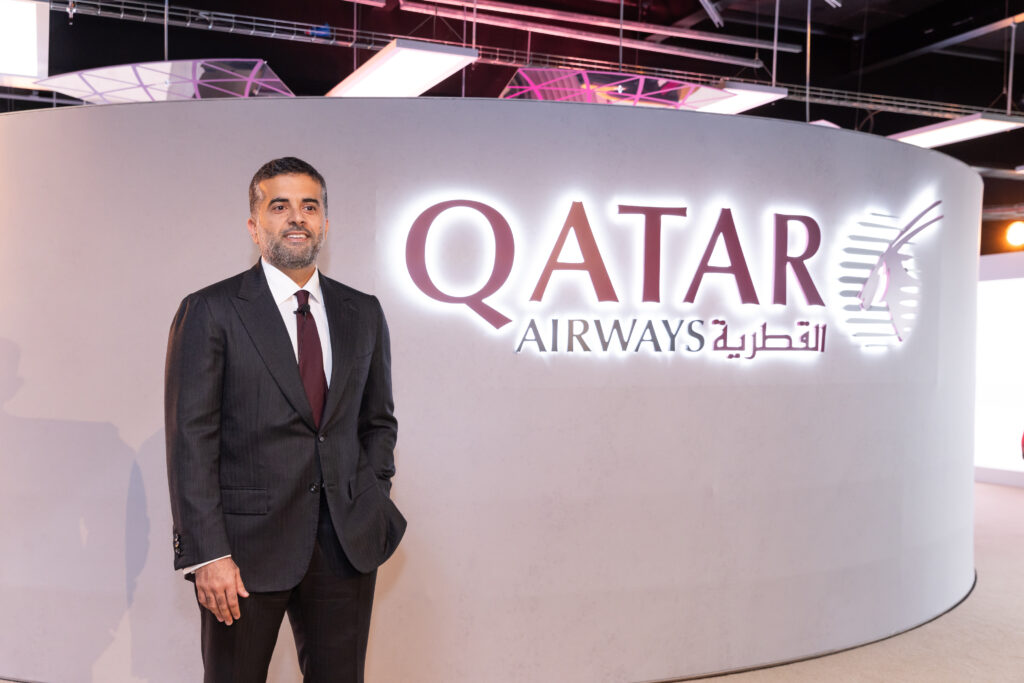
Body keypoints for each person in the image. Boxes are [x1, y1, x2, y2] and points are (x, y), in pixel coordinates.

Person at [165, 156, 405, 683]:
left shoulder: (361, 311)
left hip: (345, 547)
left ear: (324, 222)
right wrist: (207, 554)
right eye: (280, 206)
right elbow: (191, 441)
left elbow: (377, 422)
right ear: (254, 226)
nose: (297, 217)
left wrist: (371, 497)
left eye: (309, 206)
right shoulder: (211, 310)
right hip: (243, 554)